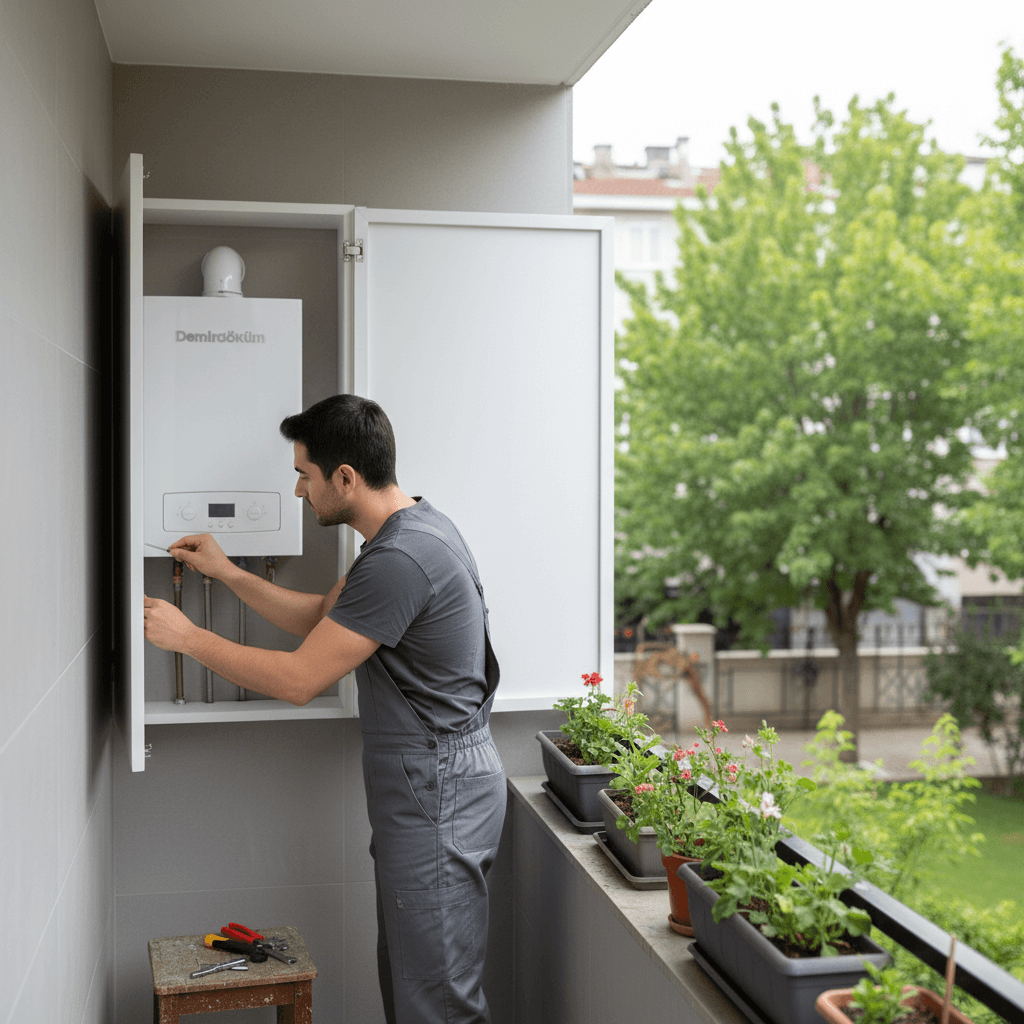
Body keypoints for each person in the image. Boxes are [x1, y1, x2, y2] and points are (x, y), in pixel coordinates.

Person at [143, 393, 505, 1024]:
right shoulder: (412, 531)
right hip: (430, 786)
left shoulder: (400, 559)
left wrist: (189, 638)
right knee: (416, 982)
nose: (297, 491)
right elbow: (322, 617)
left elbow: (299, 679)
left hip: (439, 789)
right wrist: (227, 572)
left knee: (438, 1001)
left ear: (345, 477)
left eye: (303, 475)